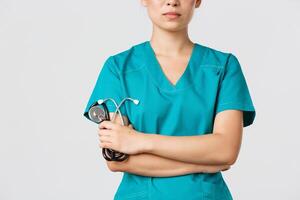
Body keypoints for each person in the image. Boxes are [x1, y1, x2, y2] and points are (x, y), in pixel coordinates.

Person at [83, 0, 256, 199]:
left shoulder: (223, 67)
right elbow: (116, 160)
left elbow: (226, 151)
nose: (171, 2)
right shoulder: (118, 68)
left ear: (197, 0)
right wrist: (204, 162)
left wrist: (139, 141)